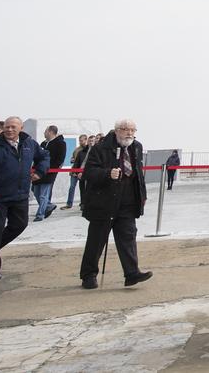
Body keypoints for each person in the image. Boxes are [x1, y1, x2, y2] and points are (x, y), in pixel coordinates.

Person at [78, 119, 151, 289]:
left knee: (128, 237)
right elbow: (89, 172)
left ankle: (131, 273)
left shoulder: (136, 147)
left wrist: (142, 195)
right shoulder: (100, 148)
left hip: (127, 201)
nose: (130, 133)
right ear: (117, 130)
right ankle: (88, 275)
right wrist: (107, 173)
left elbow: (139, 173)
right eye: (126, 129)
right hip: (103, 202)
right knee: (96, 241)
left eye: (133, 130)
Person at [0, 116, 49, 279]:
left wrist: (40, 171)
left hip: (20, 195)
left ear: (21, 128)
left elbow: (44, 156)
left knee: (19, 225)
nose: (9, 130)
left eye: (13, 127)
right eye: (7, 127)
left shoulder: (29, 144)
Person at [34, 125, 66, 221]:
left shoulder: (60, 143)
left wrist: (52, 168)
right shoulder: (43, 144)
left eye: (45, 131)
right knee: (36, 192)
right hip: (39, 171)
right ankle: (49, 206)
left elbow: (60, 158)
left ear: (50, 132)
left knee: (44, 194)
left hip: (50, 172)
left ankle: (40, 214)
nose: (44, 133)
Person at [64, 134, 89, 209]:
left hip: (83, 172)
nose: (80, 142)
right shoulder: (77, 149)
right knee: (72, 187)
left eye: (82, 140)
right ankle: (69, 203)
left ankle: (83, 203)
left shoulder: (89, 150)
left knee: (83, 188)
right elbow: (72, 158)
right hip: (74, 171)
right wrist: (72, 160)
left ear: (86, 140)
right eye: (80, 140)